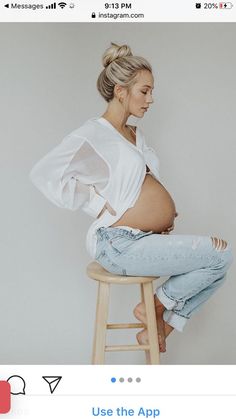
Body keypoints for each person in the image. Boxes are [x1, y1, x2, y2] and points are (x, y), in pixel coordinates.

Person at [30, 42, 233, 354]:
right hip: (117, 242)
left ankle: (162, 323)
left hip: (140, 237)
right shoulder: (94, 133)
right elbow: (44, 173)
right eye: (144, 91)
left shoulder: (135, 134)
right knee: (220, 255)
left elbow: (138, 185)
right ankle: (155, 308)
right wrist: (99, 204)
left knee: (221, 258)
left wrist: (158, 216)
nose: (151, 100)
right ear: (120, 91)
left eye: (152, 92)